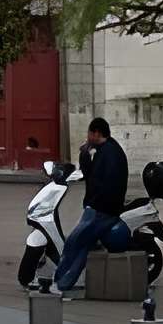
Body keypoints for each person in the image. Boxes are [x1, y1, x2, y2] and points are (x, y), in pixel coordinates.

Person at [49, 117, 129, 296]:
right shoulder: (103, 150)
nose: (87, 136)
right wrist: (84, 153)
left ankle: (58, 282)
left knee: (74, 242)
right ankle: (63, 284)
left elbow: (106, 184)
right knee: (83, 247)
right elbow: (89, 173)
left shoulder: (111, 154)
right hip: (101, 208)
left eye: (89, 133)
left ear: (97, 133)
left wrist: (92, 204)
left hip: (101, 209)